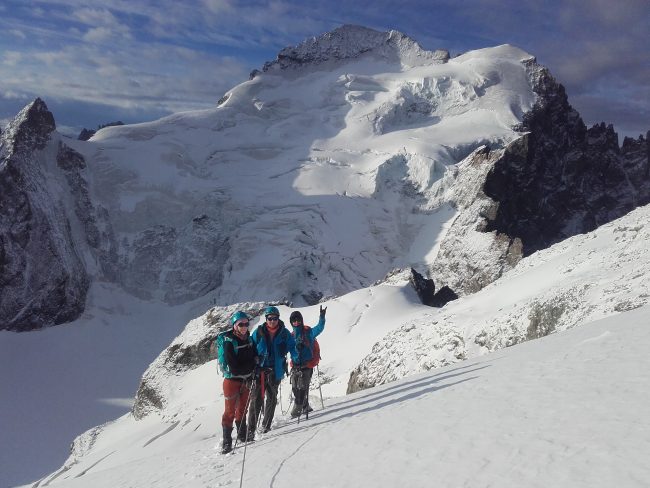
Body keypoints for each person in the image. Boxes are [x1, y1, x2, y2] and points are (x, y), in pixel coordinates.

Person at [247, 306, 297, 438]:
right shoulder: (258, 332)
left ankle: (266, 425)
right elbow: (250, 346)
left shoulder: (285, 333)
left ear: (278, 319)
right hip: (259, 370)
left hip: (276, 370)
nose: (272, 321)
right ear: (266, 319)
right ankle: (251, 429)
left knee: (272, 398)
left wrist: (295, 357)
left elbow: (292, 346)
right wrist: (253, 359)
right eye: (270, 318)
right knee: (256, 400)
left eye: (275, 318)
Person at [219, 311, 257, 454]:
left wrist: (254, 362)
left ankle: (242, 435)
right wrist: (251, 365)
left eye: (246, 324)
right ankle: (227, 442)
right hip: (231, 381)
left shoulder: (248, 339)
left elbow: (254, 356)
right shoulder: (229, 342)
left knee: (242, 408)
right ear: (235, 325)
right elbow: (234, 367)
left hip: (246, 380)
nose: (244, 327)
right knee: (230, 411)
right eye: (241, 324)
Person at [289, 305, 326, 418]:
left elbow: (319, 328)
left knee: (303, 389)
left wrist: (322, 317)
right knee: (295, 389)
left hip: (307, 366)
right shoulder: (291, 335)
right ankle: (305, 407)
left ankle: (297, 411)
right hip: (295, 366)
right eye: (293, 320)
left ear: (301, 320)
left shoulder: (308, 332)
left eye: (298, 320)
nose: (296, 322)